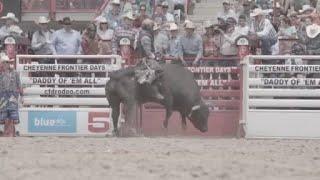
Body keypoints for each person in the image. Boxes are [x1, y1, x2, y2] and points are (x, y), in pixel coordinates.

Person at [135, 19, 164, 100]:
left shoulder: (142, 34)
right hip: (145, 59)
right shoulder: (145, 36)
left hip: (144, 58)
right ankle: (152, 88)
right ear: (148, 27)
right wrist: (155, 57)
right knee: (159, 70)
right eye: (152, 26)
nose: (153, 28)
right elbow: (148, 52)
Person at [0, 53, 21, 137]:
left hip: (12, 96)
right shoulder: (1, 74)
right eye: (4, 62)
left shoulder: (15, 73)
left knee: (13, 115)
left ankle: (14, 132)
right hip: (3, 96)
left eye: (6, 62)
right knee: (4, 115)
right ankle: (3, 132)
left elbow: (19, 84)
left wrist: (21, 96)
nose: (5, 64)